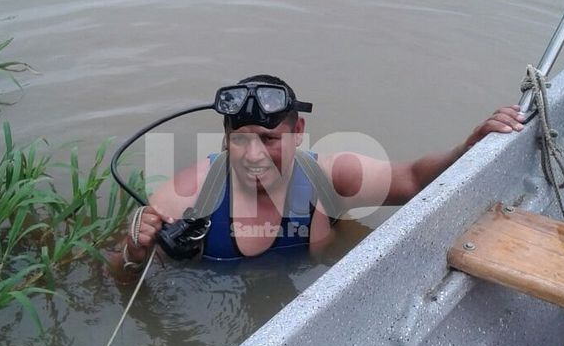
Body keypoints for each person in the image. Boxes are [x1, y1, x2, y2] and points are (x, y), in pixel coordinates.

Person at [114, 73, 524, 273]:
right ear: (224, 140)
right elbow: (115, 273)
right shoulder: (184, 197)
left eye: (269, 139)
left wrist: (468, 147)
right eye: (239, 139)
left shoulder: (328, 176)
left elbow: (414, 180)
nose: (252, 154)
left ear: (297, 132)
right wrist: (133, 253)